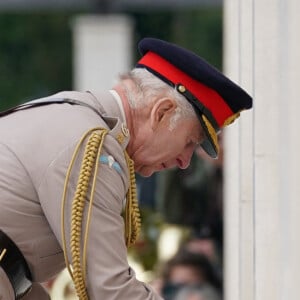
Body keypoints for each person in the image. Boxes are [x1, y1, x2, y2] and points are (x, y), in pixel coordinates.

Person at [0, 37, 252, 299]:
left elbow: (15, 269)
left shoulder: (71, 116)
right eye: (190, 142)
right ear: (162, 112)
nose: (185, 161)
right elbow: (110, 289)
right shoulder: (92, 145)